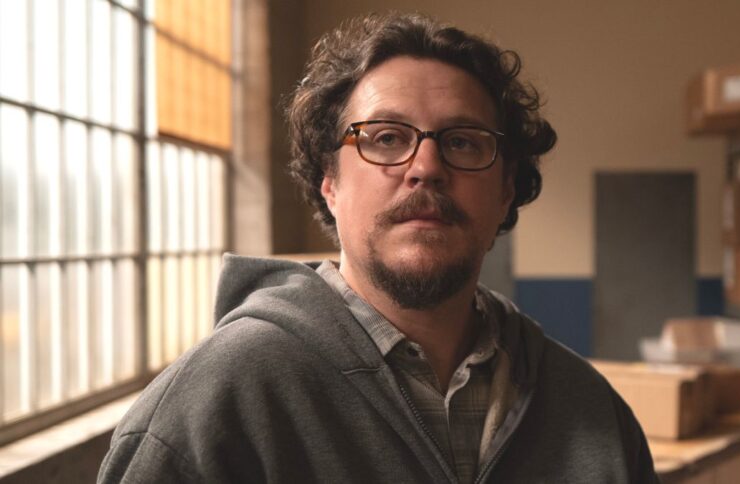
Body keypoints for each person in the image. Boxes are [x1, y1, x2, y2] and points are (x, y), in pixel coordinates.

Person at [99, 12, 658, 483]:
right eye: (386, 138)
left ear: (505, 190)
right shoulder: (215, 405)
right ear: (330, 183)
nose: (426, 167)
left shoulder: (591, 412)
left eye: (463, 142)